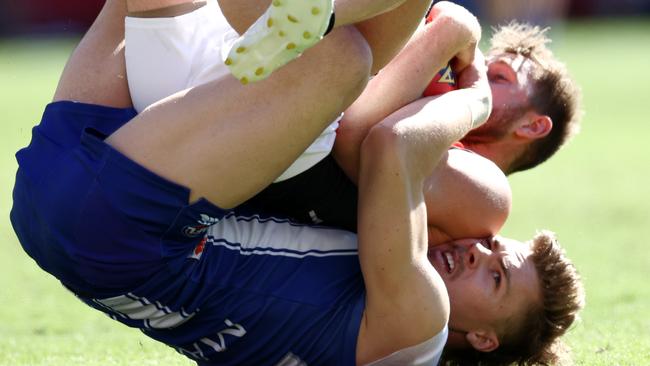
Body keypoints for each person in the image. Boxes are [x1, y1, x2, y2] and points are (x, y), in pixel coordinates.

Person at [9, 0, 470, 364]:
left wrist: (478, 96)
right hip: (70, 213)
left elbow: (395, 145)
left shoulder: (419, 333)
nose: (484, 250)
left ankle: (321, 11)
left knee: (345, 59)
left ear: (487, 340)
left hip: (124, 229)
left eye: (500, 278)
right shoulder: (391, 289)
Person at [122, 2, 585, 364]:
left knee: (353, 50)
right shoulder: (450, 244)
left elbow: (362, 136)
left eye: (498, 76)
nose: (477, 66)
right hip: (192, 136)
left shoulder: (483, 197)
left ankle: (318, 16)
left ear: (532, 127)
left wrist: (462, 43)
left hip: (244, 124)